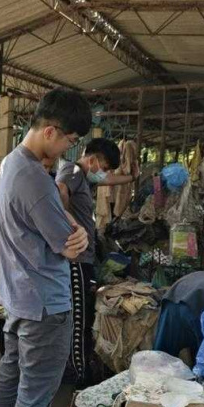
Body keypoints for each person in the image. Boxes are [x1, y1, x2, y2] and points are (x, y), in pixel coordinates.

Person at [0, 88, 91, 407]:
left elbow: (53, 218)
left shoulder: (12, 162)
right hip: (45, 302)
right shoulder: (34, 178)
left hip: (17, 295)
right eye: (70, 140)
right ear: (51, 131)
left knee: (12, 374)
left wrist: (67, 226)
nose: (71, 149)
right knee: (37, 391)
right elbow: (69, 243)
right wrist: (76, 234)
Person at [55, 138, 139, 386]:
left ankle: (79, 370)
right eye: (103, 166)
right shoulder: (71, 171)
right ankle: (78, 378)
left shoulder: (83, 175)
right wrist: (69, 224)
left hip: (85, 260)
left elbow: (107, 180)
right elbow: (59, 190)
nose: (104, 173)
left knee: (84, 315)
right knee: (79, 320)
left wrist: (131, 178)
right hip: (76, 261)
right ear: (92, 160)